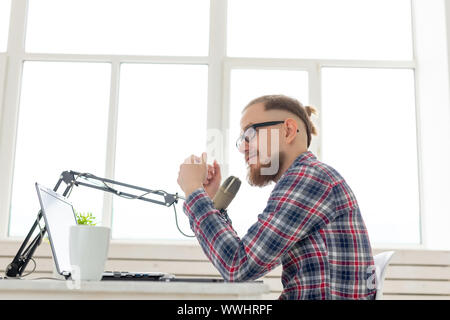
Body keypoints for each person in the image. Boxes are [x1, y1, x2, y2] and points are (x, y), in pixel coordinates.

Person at [177, 94, 376, 300]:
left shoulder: (308, 178)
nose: (243, 147)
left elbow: (237, 267)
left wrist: (193, 191)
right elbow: (242, 262)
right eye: (242, 140)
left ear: (288, 131)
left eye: (250, 134)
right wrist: (210, 204)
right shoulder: (307, 178)